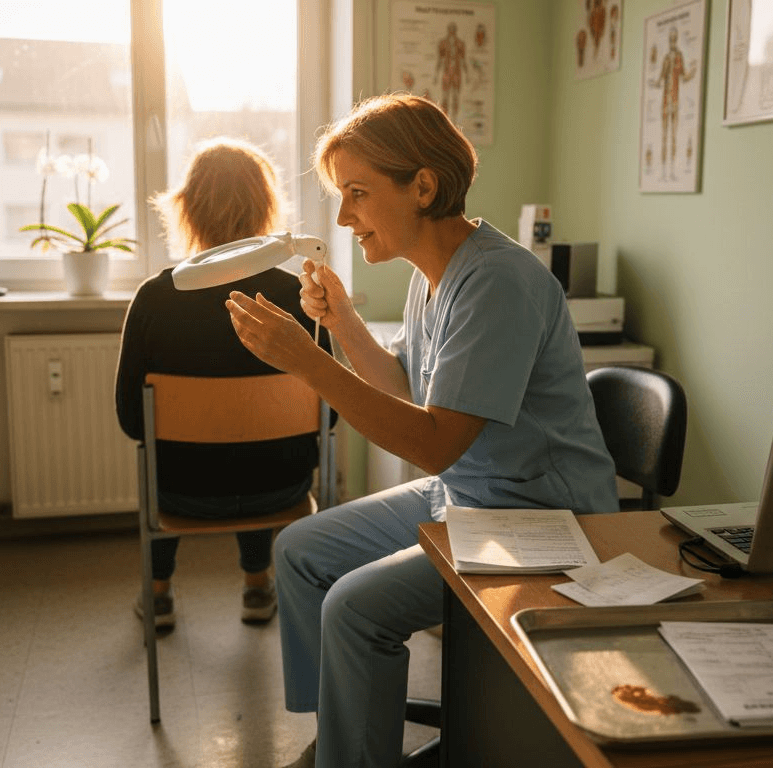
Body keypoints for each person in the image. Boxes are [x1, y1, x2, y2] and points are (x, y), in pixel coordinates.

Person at [225, 94, 617, 768]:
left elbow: (434, 443)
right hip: (466, 497)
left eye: (357, 193)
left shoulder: (497, 281)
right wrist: (343, 323)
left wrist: (307, 359)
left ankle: (352, 756)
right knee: (298, 552)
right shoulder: (429, 276)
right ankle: (346, 736)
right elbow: (406, 388)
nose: (344, 216)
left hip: (539, 518)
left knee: (352, 608)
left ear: (423, 187)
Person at [115, 137, 328, 629]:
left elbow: (132, 421)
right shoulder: (299, 296)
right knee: (252, 443)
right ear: (268, 208)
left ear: (185, 211)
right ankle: (258, 585)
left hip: (182, 492)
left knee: (165, 466)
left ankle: (159, 594)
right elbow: (330, 413)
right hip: (281, 486)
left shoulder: (153, 298)